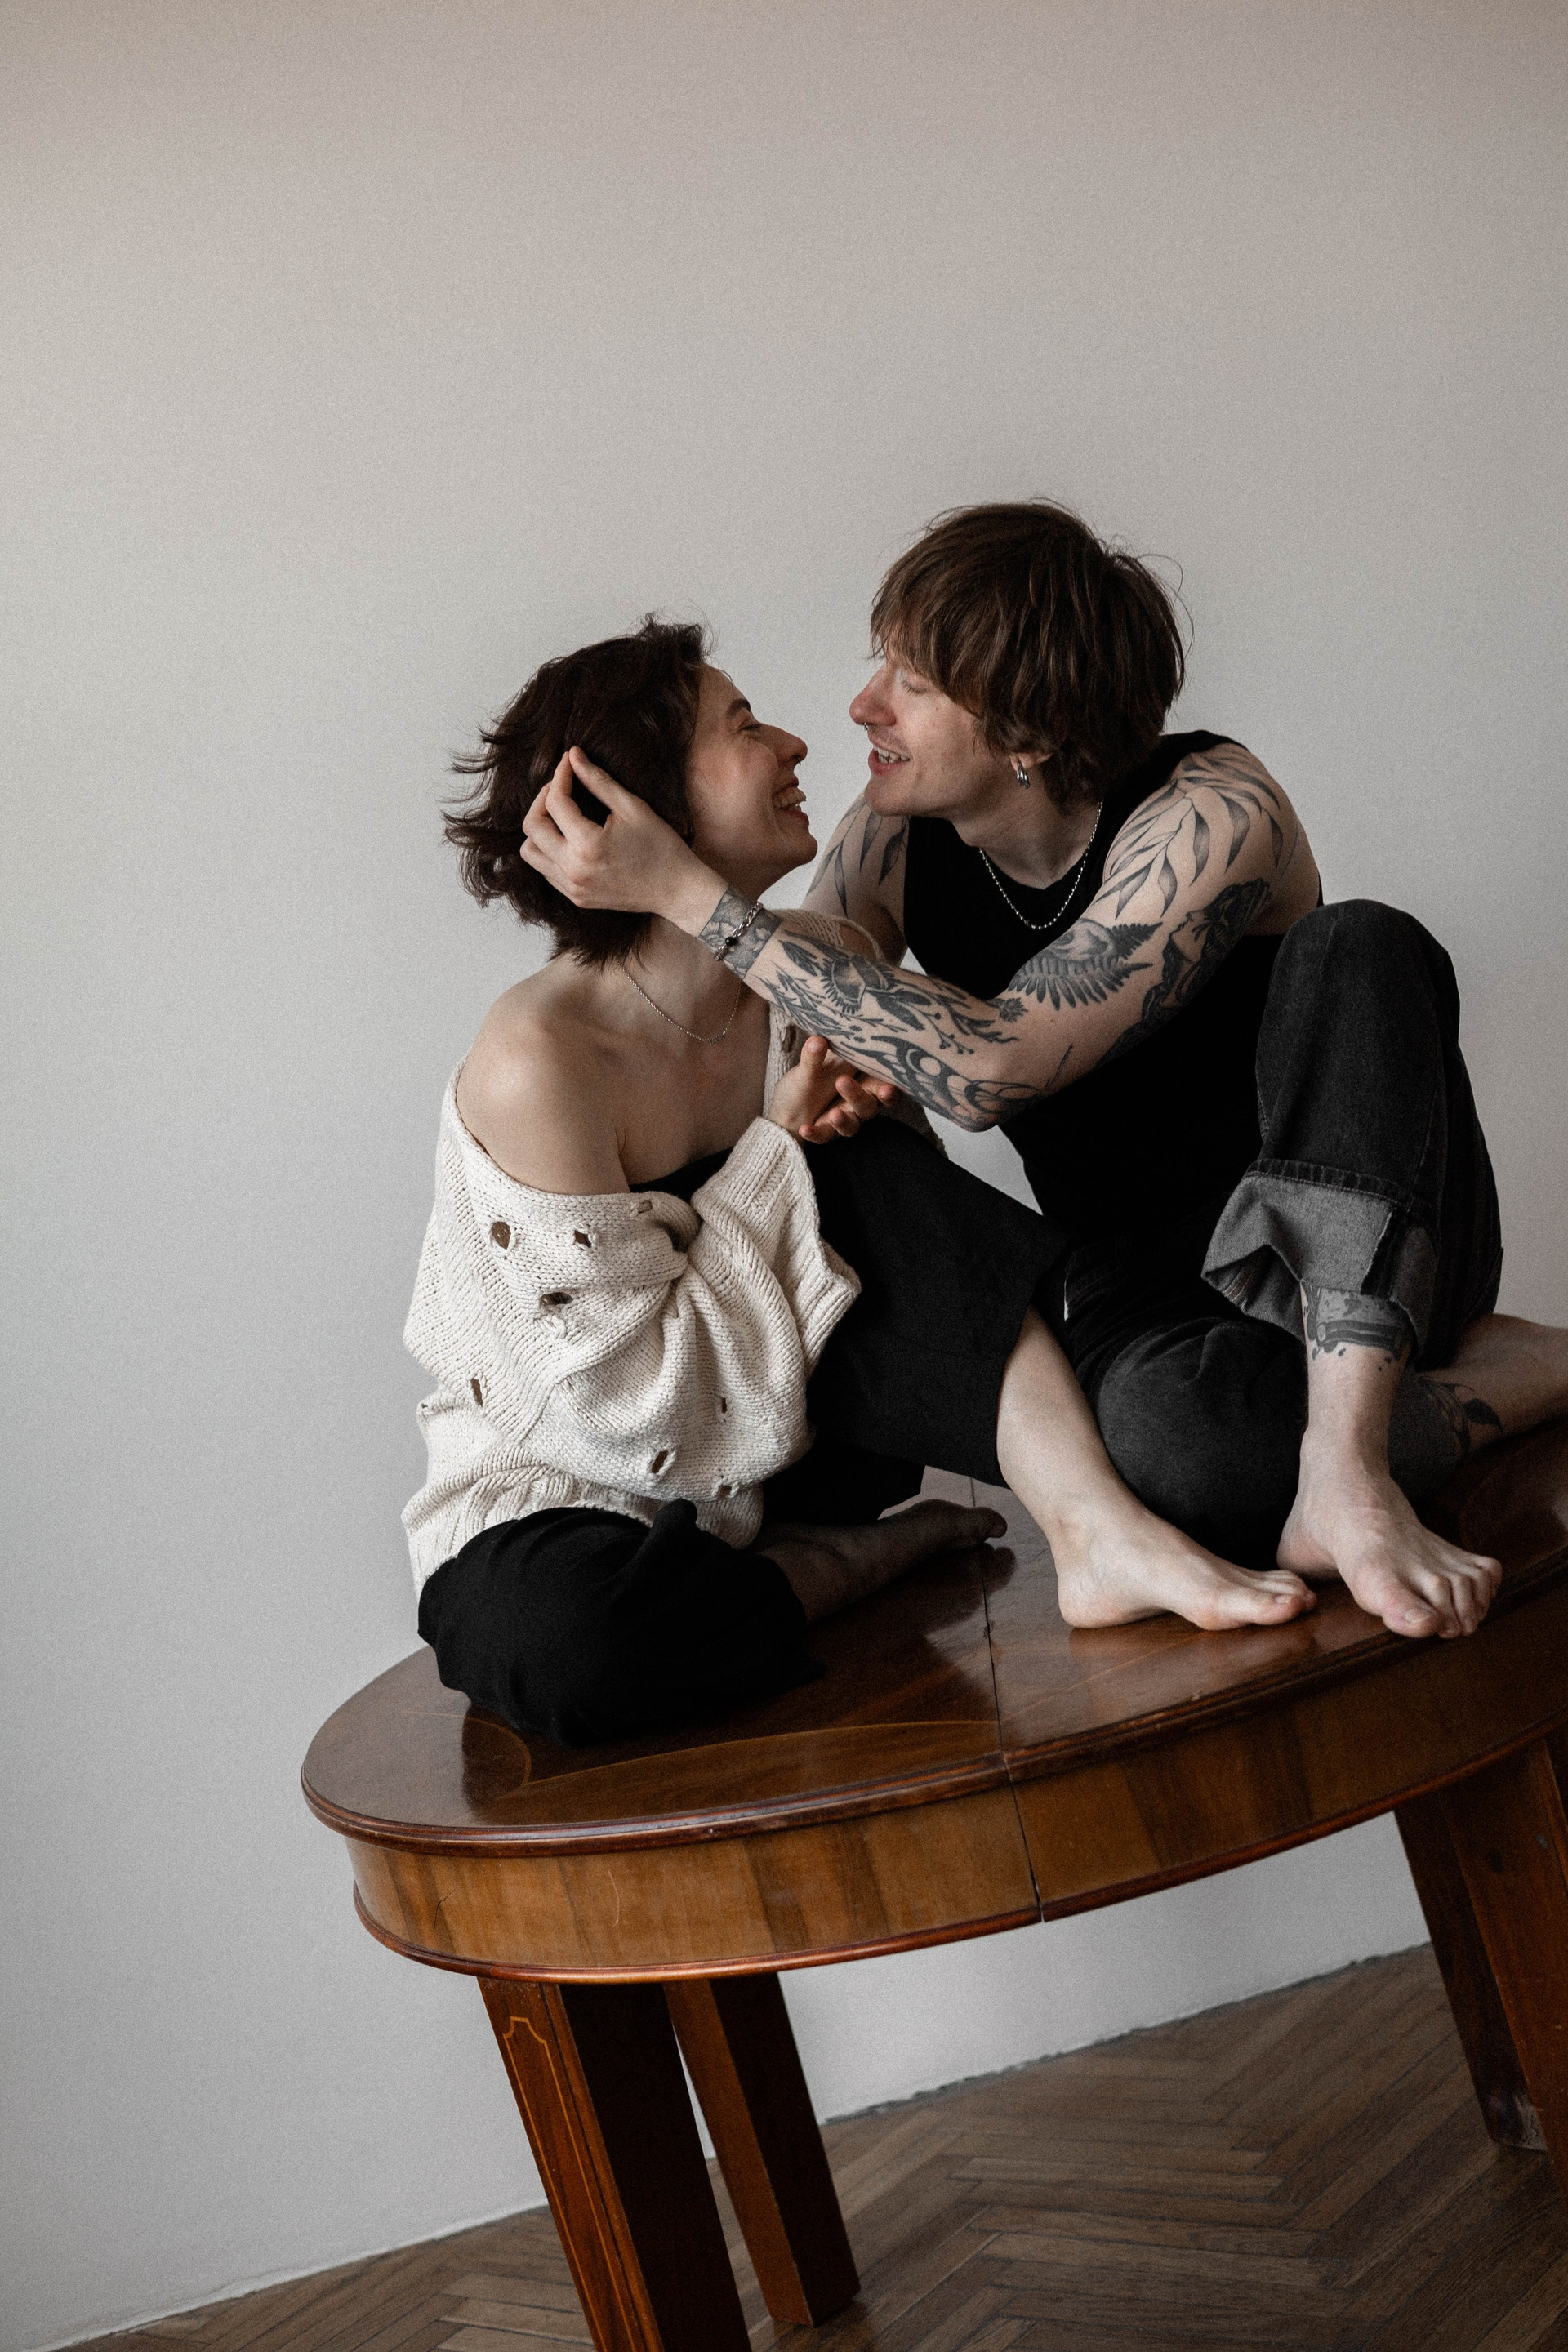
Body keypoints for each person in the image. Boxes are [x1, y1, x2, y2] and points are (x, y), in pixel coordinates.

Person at [519, 506, 1568, 1646]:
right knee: (1185, 1455)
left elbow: (992, 1065)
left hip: (1368, 1250)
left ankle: (1352, 1467)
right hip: (1147, 1290)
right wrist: (845, 1078)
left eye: (912, 682)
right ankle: (1502, 1384)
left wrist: (689, 894)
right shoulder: (893, 839)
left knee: (1360, 943)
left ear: (1030, 724)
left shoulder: (1213, 810)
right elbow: (819, 998)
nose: (864, 706)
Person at [408, 618, 1321, 1748]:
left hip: (803, 1448)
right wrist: (775, 1151)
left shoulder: (819, 967)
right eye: (742, 727)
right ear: (635, 806)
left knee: (1210, 1444)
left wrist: (842, 1133)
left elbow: (924, 1263)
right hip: (585, 1497)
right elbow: (635, 1415)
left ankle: (1095, 1531)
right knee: (571, 1653)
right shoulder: (542, 1059)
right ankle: (850, 1564)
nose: (795, 743)